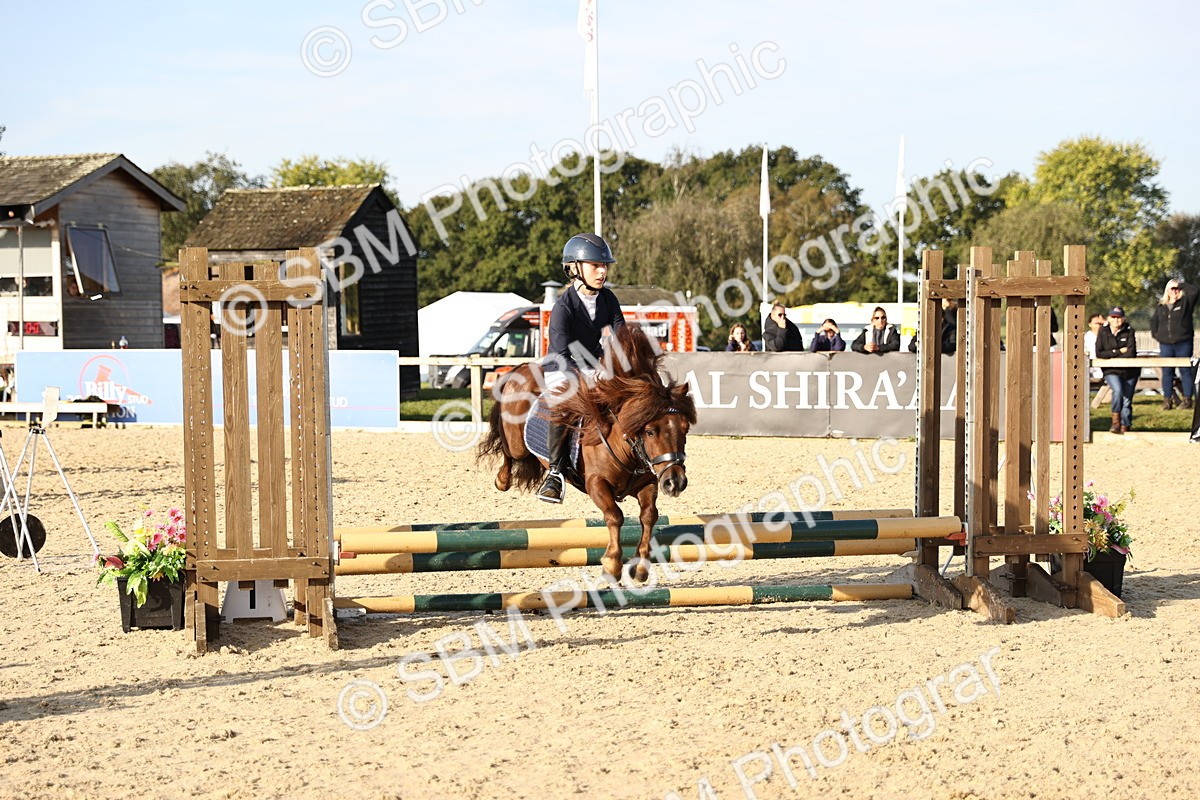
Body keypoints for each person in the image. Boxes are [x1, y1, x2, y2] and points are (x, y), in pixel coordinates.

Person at [536, 232, 625, 503]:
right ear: (575, 269)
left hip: (593, 364)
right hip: (562, 367)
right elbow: (562, 353)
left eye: (604, 266)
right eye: (595, 265)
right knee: (563, 404)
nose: (602, 271)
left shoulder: (608, 299)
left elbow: (621, 337)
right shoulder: (563, 307)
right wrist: (590, 375)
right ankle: (555, 473)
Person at [1150, 278, 1198, 410]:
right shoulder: (1161, 307)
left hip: (1183, 342)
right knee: (1167, 372)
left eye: (1177, 289)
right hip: (1166, 344)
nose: (1175, 291)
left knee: (1185, 371)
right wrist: (1158, 336)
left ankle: (1187, 400)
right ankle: (1167, 399)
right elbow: (1154, 322)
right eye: (1172, 289)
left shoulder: (1186, 303)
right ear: (1167, 290)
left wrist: (1180, 284)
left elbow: (1195, 291)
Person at [1096, 306, 1139, 434]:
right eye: (1113, 317)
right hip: (1111, 370)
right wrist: (1119, 351)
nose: (1116, 320)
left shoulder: (1129, 330)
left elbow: (1131, 353)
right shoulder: (1103, 331)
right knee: (1118, 390)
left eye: (1119, 317)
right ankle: (1115, 422)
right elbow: (1099, 353)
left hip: (1129, 371)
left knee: (1127, 400)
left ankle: (1126, 426)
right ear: (1109, 318)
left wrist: (1111, 354)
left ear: (1123, 319)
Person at [1084, 313, 1106, 383]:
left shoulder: (1107, 337)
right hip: (1089, 369)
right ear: (1090, 324)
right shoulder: (1086, 338)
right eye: (1096, 323)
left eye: (1101, 324)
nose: (1098, 326)